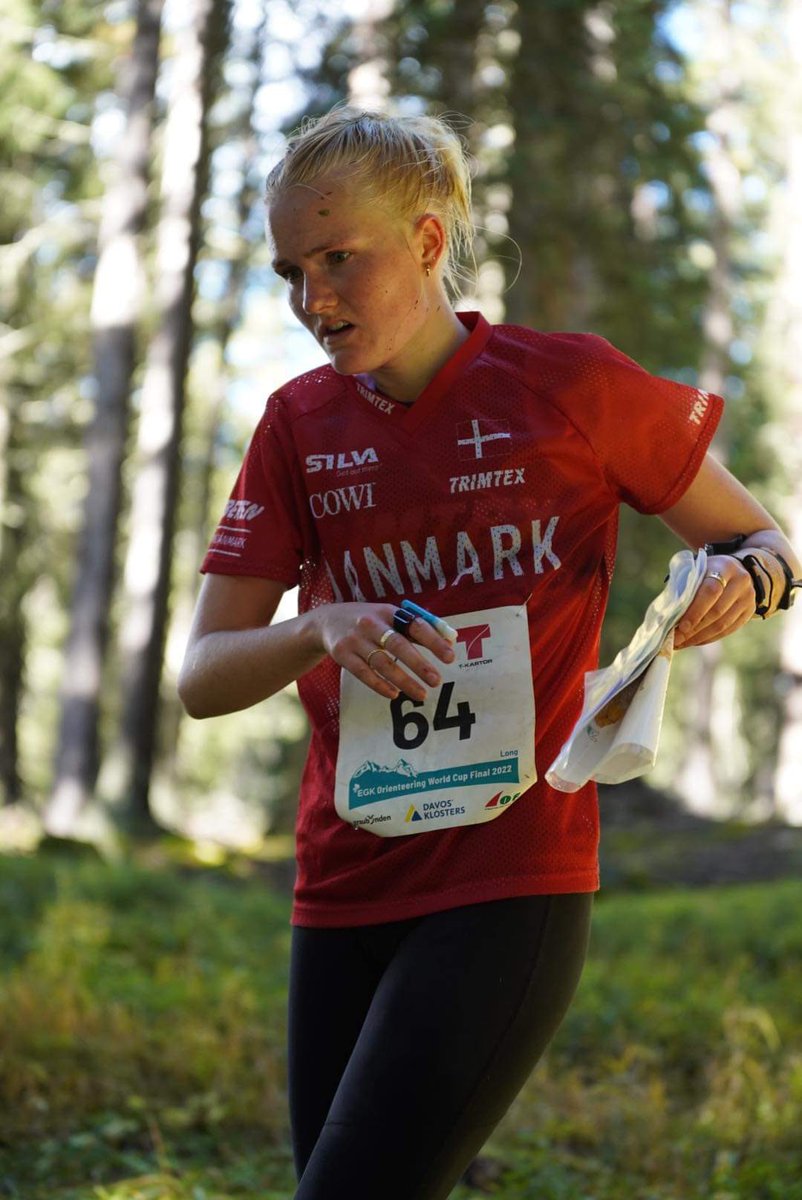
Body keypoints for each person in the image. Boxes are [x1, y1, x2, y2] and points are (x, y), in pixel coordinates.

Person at [177, 106, 801, 1200]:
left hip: (510, 877)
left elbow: (768, 544)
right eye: (288, 271)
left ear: (426, 242)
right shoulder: (294, 426)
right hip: (342, 879)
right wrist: (320, 625)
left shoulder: (571, 385)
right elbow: (201, 675)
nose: (310, 301)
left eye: (338, 260)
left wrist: (741, 582)